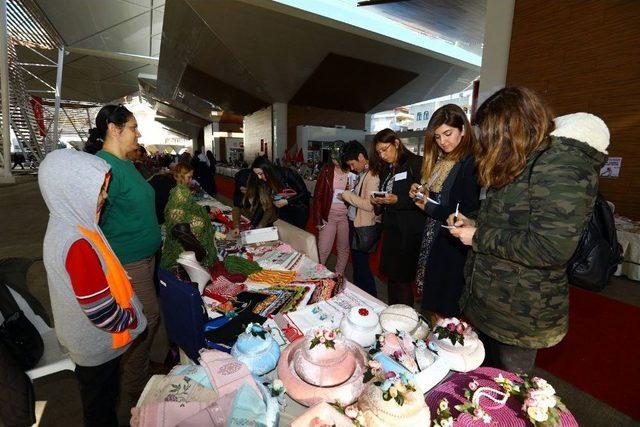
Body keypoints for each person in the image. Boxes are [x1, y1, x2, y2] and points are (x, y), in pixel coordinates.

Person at [448, 87, 608, 373]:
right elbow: (512, 221)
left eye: (493, 134)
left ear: (513, 129)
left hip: (521, 312)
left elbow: (550, 247)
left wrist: (479, 237)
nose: (488, 143)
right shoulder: (523, 158)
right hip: (492, 302)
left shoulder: (560, 164)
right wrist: (476, 224)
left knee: (509, 395)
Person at [39, 149, 147, 427]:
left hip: (87, 342)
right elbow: (100, 311)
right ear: (71, 191)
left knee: (100, 400)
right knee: (100, 406)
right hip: (97, 345)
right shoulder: (77, 243)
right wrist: (129, 317)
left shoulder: (68, 223)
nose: (104, 197)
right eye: (98, 190)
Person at [84, 104, 162, 401]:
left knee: (146, 318)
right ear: (114, 129)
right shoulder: (102, 168)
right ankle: (135, 385)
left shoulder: (126, 164)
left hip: (145, 257)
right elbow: (94, 221)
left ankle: (137, 368)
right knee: (145, 320)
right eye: (132, 127)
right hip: (129, 261)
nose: (138, 133)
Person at [408, 104, 480, 318]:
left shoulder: (471, 161)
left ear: (463, 130)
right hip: (438, 236)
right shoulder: (445, 160)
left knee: (446, 308)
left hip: (455, 244)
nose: (443, 141)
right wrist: (422, 193)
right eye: (438, 137)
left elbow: (464, 211)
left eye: (448, 133)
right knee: (435, 306)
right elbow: (441, 198)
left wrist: (429, 206)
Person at [370, 129, 425, 307]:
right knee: (392, 279)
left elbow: (422, 199)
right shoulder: (387, 168)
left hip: (408, 232)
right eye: (379, 152)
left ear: (396, 143)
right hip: (392, 230)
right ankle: (392, 314)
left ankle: (406, 321)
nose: (382, 155)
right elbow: (387, 193)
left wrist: (397, 200)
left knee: (402, 281)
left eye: (385, 149)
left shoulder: (415, 163)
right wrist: (378, 200)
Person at [340, 140, 381, 296]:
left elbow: (369, 204)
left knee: (362, 267)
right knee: (358, 265)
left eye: (352, 164)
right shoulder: (364, 173)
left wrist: (348, 196)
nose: (351, 168)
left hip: (363, 226)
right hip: (357, 224)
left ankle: (369, 298)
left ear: (361, 156)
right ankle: (360, 296)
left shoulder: (372, 174)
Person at [161, 163, 219, 269]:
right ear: (181, 176)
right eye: (189, 177)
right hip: (181, 232)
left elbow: (189, 207)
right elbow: (176, 214)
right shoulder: (181, 192)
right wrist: (198, 220)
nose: (191, 180)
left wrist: (205, 210)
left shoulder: (181, 189)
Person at [313, 141, 351, 274]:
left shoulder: (352, 170)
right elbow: (318, 196)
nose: (335, 161)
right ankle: (318, 275)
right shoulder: (327, 170)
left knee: (344, 248)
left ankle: (338, 275)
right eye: (333, 158)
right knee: (323, 249)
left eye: (338, 158)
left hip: (345, 216)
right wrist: (318, 220)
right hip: (328, 217)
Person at [248, 155, 311, 228]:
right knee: (284, 232)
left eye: (260, 174)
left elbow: (304, 193)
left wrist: (287, 201)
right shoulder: (264, 181)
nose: (259, 177)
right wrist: (252, 224)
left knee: (296, 234)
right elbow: (261, 204)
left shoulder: (287, 173)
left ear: (267, 169)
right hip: (283, 209)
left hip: (299, 208)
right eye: (257, 175)